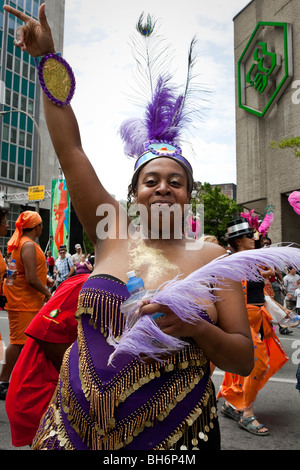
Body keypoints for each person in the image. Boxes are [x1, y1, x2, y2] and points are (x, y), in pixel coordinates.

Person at [4, 5, 256, 450]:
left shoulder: (215, 260)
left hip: (175, 438)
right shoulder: (110, 231)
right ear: (134, 193)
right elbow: (70, 149)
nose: (162, 188)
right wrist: (48, 60)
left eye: (175, 182)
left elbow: (242, 356)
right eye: (151, 181)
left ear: (189, 193)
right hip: (73, 431)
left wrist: (197, 328)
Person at [217, 217, 289, 436]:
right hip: (241, 320)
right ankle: (247, 412)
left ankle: (232, 404)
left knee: (243, 367)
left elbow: (259, 291)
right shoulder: (230, 263)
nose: (254, 238)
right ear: (238, 241)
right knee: (257, 365)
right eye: (250, 235)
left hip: (259, 318)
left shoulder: (251, 260)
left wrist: (270, 282)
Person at [5, 273, 89, 447]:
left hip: (55, 394)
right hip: (41, 395)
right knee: (17, 343)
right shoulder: (89, 285)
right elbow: (44, 330)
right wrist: (82, 381)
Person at [0, 210, 50, 400]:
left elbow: (13, 274)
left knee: (23, 343)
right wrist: (47, 292)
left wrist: (47, 281)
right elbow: (30, 278)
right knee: (18, 343)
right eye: (41, 225)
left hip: (22, 300)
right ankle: (4, 381)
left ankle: (15, 380)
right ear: (36, 227)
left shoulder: (19, 243)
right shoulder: (27, 245)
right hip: (24, 302)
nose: (42, 228)